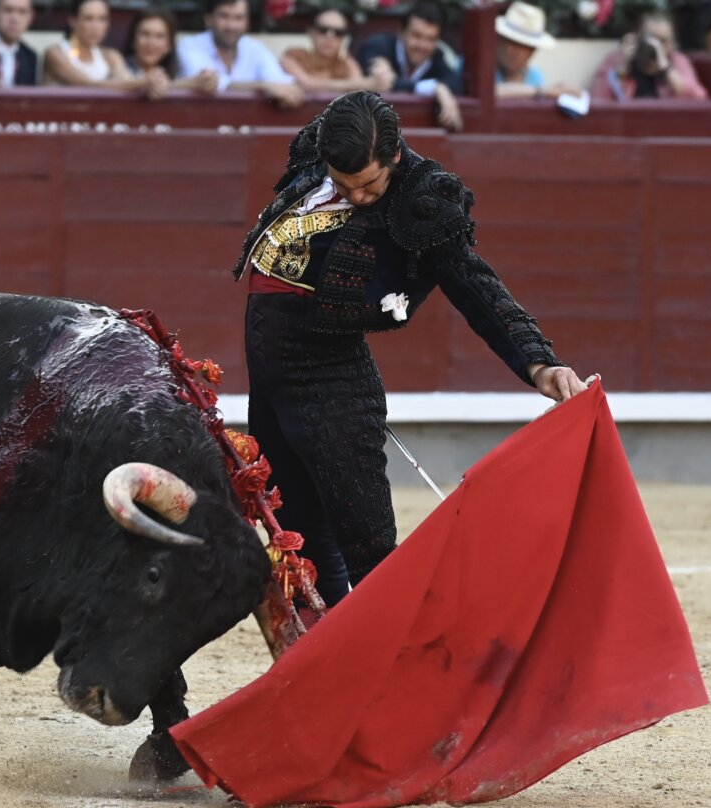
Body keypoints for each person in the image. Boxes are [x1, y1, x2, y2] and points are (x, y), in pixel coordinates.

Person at [235, 91, 589, 606]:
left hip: (332, 381)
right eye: (344, 184)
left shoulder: (422, 201)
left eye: (368, 185)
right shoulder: (322, 150)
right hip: (270, 374)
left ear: (395, 156)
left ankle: (402, 661)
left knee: (367, 543)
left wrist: (539, 362)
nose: (356, 196)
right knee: (292, 526)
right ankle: (322, 655)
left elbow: (475, 286)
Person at [356, 2, 464, 131]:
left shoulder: (437, 56)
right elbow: (384, 83)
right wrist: (435, 87)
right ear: (402, 32)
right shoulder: (378, 46)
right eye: (417, 36)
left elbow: (455, 84)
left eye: (430, 39)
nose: (422, 45)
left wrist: (440, 88)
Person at [176, 0, 305, 108]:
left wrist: (288, 89)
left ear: (247, 22)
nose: (231, 26)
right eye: (224, 16)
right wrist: (264, 86)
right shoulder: (190, 46)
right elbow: (211, 84)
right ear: (208, 20)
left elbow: (279, 83)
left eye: (238, 18)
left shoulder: (255, 48)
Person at [589, 11, 708, 102]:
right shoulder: (616, 60)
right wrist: (621, 71)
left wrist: (667, 69)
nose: (656, 46)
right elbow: (599, 100)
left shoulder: (677, 61)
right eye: (651, 38)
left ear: (672, 43)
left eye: (663, 41)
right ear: (638, 37)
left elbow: (700, 99)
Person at [280, 6, 393, 94]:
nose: (330, 37)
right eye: (323, 30)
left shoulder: (346, 63)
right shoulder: (293, 57)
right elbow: (307, 84)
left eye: (338, 33)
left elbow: (359, 90)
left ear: (344, 38)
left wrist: (381, 78)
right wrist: (364, 84)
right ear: (311, 32)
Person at [122, 6, 218, 98]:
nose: (151, 43)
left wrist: (206, 81)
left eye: (159, 36)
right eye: (145, 34)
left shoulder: (178, 72)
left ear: (169, 45)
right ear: (133, 40)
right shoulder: (118, 69)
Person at [494, 0, 580, 100]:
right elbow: (490, 92)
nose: (510, 50)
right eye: (509, 42)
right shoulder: (485, 70)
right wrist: (542, 91)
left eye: (521, 46)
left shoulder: (534, 76)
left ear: (532, 52)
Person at [42, 0, 130, 86]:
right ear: (73, 21)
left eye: (102, 19)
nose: (95, 27)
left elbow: (127, 80)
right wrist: (140, 83)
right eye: (88, 19)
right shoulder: (55, 53)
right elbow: (88, 85)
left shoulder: (110, 56)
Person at [0, 0, 36, 87]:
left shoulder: (30, 57)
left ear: (31, 17)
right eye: (8, 10)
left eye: (22, 12)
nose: (15, 18)